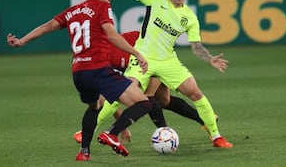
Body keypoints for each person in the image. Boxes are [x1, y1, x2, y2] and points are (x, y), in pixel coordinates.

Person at [7, 0, 154, 161]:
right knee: (144, 103)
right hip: (99, 69)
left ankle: (84, 152)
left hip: (78, 73)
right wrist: (137, 53)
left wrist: (22, 41)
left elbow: (47, 26)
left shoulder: (72, 11)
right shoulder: (102, 7)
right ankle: (111, 133)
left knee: (95, 106)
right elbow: (111, 35)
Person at [121, 0, 233, 148]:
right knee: (125, 90)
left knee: (194, 92)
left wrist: (209, 58)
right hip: (144, 58)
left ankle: (216, 137)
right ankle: (97, 131)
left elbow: (196, 46)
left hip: (167, 61)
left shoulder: (189, 17)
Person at [73, 31, 218, 144]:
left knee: (149, 97)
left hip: (157, 61)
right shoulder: (103, 60)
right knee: (164, 101)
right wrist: (124, 127)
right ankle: (204, 121)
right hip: (138, 71)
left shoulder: (127, 41)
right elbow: (114, 96)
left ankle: (165, 134)